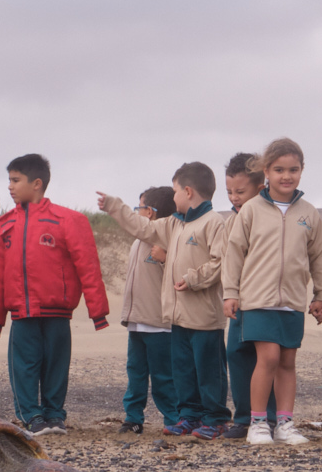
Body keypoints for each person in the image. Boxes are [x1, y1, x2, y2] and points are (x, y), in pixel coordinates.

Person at [99, 162, 227, 439]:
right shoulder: (173, 224)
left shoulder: (214, 222)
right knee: (182, 372)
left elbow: (220, 262)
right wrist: (114, 206)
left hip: (204, 317)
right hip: (176, 316)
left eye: (176, 191)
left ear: (189, 191)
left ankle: (215, 419)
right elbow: (142, 228)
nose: (173, 197)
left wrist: (193, 279)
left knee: (208, 371)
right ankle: (189, 417)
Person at [0, 152, 107, 436]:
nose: (10, 186)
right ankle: (32, 416)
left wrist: (97, 311)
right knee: (24, 367)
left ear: (36, 183)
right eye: (9, 180)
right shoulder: (4, 224)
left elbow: (88, 266)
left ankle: (54, 415)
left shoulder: (68, 220)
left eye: (16, 180)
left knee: (55, 365)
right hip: (22, 313)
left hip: (57, 312)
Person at [220, 137, 322, 447]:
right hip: (257, 299)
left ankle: (284, 422)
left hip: (293, 301)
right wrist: (231, 292)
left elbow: (320, 256)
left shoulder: (308, 213)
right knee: (267, 357)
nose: (287, 176)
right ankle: (257, 422)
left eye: (293, 169)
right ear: (266, 171)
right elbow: (234, 253)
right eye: (279, 169)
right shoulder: (252, 210)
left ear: (302, 170)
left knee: (287, 361)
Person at [110, 185, 179, 434]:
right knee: (135, 371)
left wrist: (164, 258)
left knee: (163, 376)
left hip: (159, 323)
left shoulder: (166, 239)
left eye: (139, 207)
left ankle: (173, 418)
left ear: (149, 212)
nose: (136, 212)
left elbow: (177, 275)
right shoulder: (138, 242)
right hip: (137, 320)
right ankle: (133, 417)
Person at [217, 152, 270, 439]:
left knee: (267, 357)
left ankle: (268, 417)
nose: (234, 197)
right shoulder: (230, 221)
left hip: (265, 300)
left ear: (260, 187)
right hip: (239, 300)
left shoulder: (268, 216)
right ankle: (243, 417)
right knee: (236, 354)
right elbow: (228, 261)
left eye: (240, 191)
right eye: (229, 192)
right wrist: (230, 293)